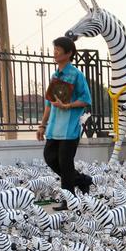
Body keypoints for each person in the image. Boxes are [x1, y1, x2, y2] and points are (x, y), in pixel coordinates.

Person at [37, 36, 93, 209]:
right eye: (54, 48)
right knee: (49, 158)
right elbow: (48, 104)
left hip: (69, 129)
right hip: (54, 128)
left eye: (58, 49)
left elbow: (86, 100)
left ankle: (69, 201)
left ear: (68, 53)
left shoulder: (76, 75)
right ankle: (82, 180)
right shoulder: (55, 75)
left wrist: (67, 105)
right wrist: (42, 125)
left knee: (65, 164)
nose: (55, 52)